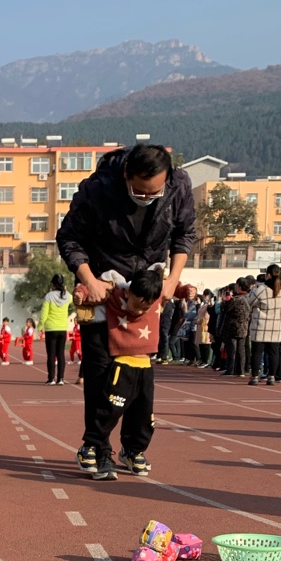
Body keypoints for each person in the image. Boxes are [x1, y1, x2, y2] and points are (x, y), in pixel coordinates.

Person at [57, 142, 194, 478]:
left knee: (139, 380)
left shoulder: (179, 186)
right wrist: (89, 279)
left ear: (167, 180)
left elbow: (184, 234)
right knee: (102, 377)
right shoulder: (97, 189)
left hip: (145, 296)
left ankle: (133, 447)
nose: (145, 198)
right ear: (125, 175)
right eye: (138, 191)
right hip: (104, 295)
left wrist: (172, 280)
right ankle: (97, 447)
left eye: (153, 193)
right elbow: (69, 238)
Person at [74, 266, 162, 479]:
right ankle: (90, 445)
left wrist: (186, 289)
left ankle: (133, 450)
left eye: (146, 308)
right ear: (129, 292)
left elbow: (173, 287)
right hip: (122, 364)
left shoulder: (154, 295)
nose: (139, 312)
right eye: (136, 305)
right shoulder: (116, 292)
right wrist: (80, 293)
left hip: (146, 365)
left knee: (144, 415)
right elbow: (93, 288)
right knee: (109, 410)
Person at [247, 266, 281, 385]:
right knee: (274, 353)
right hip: (276, 325)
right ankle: (271, 377)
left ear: (268, 275)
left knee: (257, 352)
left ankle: (254, 377)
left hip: (261, 324)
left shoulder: (262, 289)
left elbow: (249, 302)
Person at [39, 273, 70, 386]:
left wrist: (40, 326)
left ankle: (51, 379)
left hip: (51, 329)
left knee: (51, 355)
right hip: (62, 328)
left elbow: (44, 313)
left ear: (54, 284)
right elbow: (73, 299)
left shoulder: (49, 296)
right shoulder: (68, 296)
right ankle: (61, 379)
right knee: (61, 354)